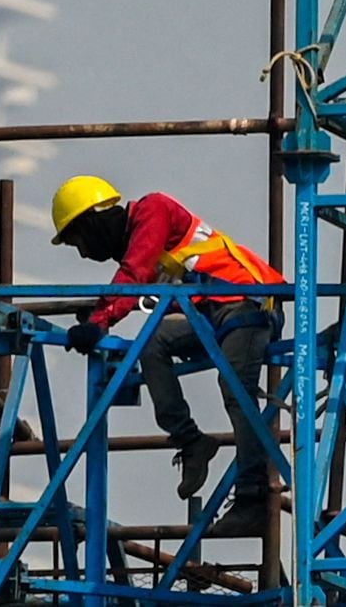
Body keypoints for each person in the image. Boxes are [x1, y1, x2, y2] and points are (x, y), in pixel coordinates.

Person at [50, 174, 287, 535]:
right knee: (152, 341)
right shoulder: (141, 239)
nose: (83, 252)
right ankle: (191, 441)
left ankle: (253, 496)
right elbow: (133, 277)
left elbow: (135, 272)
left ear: (95, 220)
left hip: (246, 303)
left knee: (235, 389)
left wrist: (99, 322)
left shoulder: (153, 209)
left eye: (79, 239)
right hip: (207, 311)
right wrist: (99, 315)